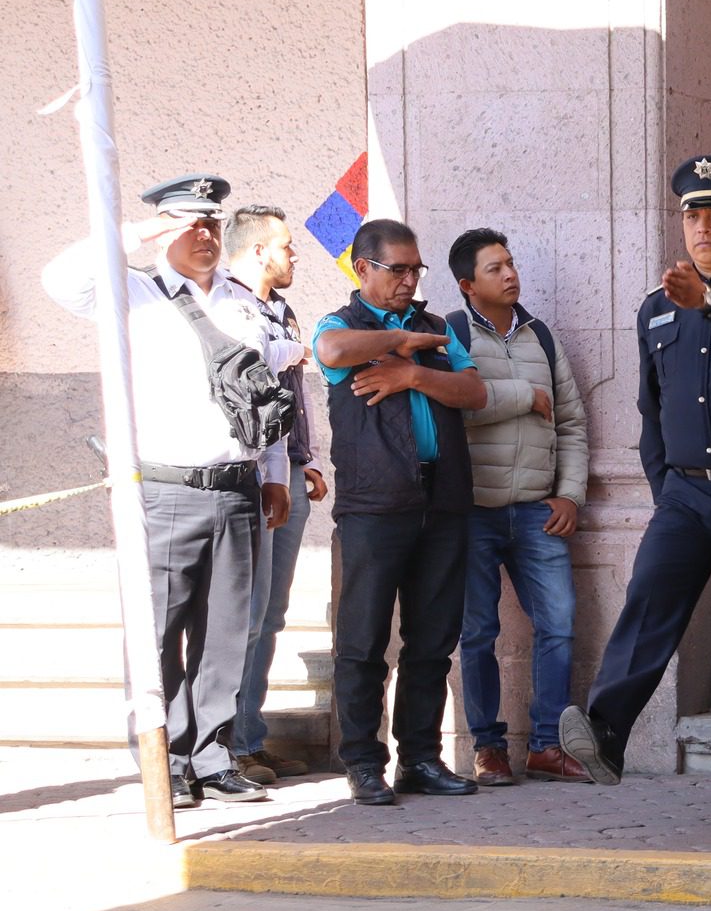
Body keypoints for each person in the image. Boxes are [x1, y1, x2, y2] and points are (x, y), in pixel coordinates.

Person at [558, 156, 711, 830]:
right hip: (688, 495)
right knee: (649, 600)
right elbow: (650, 409)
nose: (702, 227)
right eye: (693, 215)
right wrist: (665, 485)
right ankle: (607, 733)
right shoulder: (655, 308)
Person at [41, 175, 287, 808]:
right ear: (162, 229)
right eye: (187, 223)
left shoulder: (241, 302)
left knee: (227, 632)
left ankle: (212, 754)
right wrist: (139, 233)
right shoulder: (132, 291)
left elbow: (265, 398)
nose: (201, 235)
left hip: (236, 487)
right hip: (169, 489)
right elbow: (61, 278)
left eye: (210, 223)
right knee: (160, 632)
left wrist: (276, 476)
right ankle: (165, 757)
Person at [313, 218, 487, 806]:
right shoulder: (343, 325)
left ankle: (421, 759)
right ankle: (364, 762)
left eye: (417, 270)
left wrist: (412, 368)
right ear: (363, 269)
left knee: (432, 640)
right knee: (362, 643)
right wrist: (396, 341)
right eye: (398, 270)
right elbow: (331, 351)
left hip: (443, 502)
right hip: (373, 506)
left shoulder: (435, 329)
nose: (410, 280)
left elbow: (474, 391)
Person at [445, 228, 592, 786]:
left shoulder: (540, 337)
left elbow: (572, 421)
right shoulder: (450, 335)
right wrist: (522, 399)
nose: (510, 274)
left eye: (511, 263)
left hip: (538, 511)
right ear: (467, 285)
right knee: (477, 632)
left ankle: (548, 745)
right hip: (474, 512)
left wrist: (570, 494)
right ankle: (489, 747)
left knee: (558, 624)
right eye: (494, 268)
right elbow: (456, 407)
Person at [223, 205, 324, 785]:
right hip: (248, 479)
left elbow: (285, 399)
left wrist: (300, 462)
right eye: (286, 246)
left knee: (271, 614)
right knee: (246, 616)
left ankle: (247, 739)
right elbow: (254, 376)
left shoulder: (277, 309)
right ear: (259, 251)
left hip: (284, 471)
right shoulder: (226, 304)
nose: (294, 256)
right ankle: (226, 747)